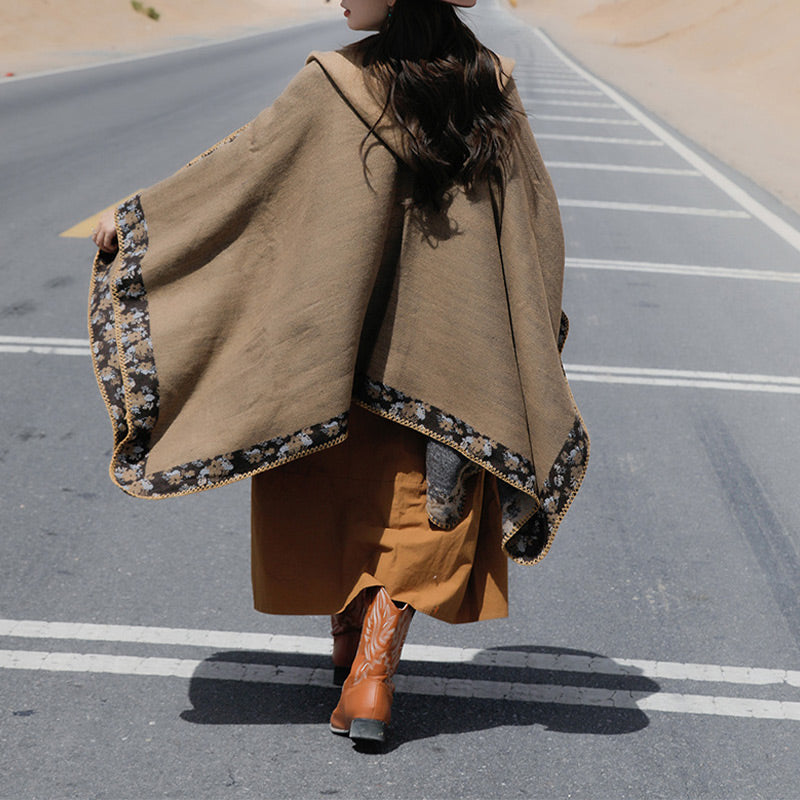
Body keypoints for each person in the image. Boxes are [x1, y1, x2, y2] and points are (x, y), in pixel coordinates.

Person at [89, 0, 589, 746]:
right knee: (423, 510)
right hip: (454, 360)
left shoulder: (334, 84)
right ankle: (371, 670)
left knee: (333, 494)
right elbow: (535, 226)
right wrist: (520, 343)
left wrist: (140, 221)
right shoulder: (489, 88)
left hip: (336, 354)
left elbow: (244, 174)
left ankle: (357, 659)